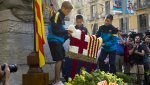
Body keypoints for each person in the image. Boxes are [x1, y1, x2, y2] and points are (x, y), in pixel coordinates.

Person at [47, 1, 73, 85]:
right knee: (59, 59)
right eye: (68, 11)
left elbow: (61, 33)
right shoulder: (57, 15)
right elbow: (55, 30)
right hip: (54, 40)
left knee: (61, 59)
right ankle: (57, 81)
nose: (68, 13)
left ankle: (57, 80)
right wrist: (66, 31)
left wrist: (68, 35)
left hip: (58, 41)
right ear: (63, 8)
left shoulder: (61, 16)